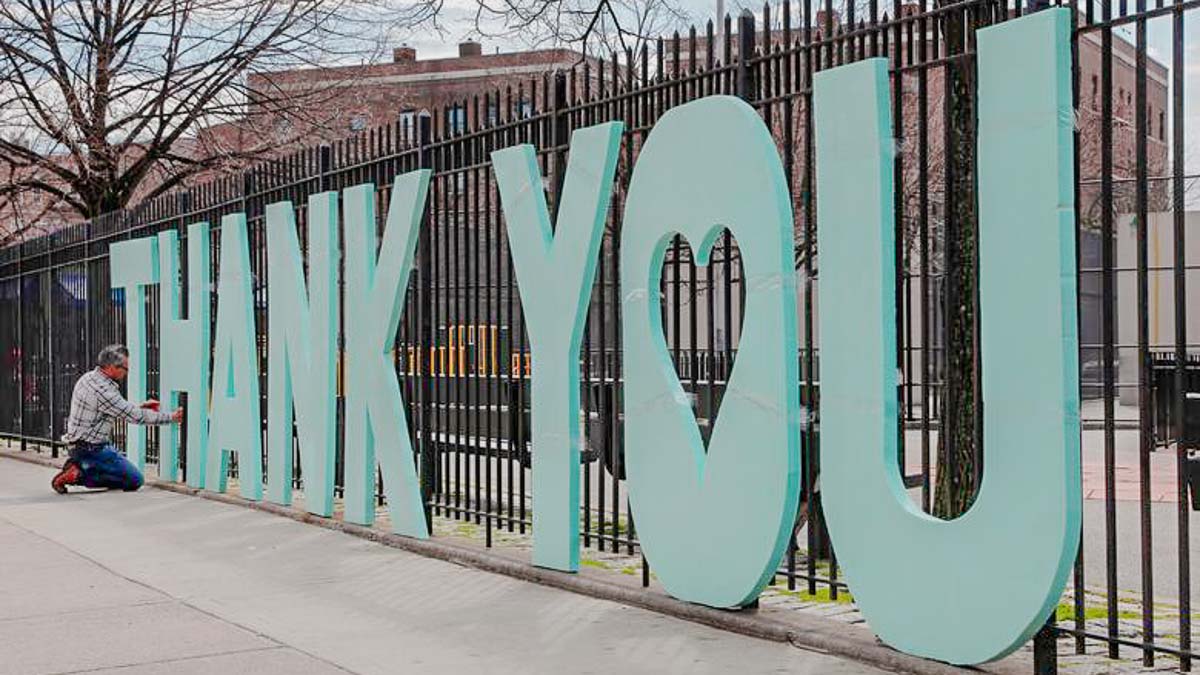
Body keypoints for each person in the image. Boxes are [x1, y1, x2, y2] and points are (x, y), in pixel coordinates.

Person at [51, 345, 183, 494]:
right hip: (92, 449)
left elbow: (109, 409)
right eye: (125, 369)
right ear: (112, 367)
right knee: (135, 480)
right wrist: (172, 417)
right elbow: (134, 416)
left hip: (78, 446)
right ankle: (79, 474)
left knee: (120, 473)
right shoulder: (103, 391)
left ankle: (83, 466)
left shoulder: (88, 378)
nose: (127, 373)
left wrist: (140, 407)